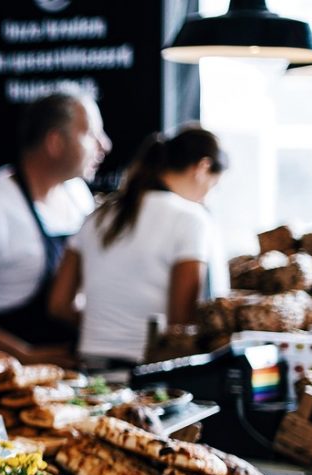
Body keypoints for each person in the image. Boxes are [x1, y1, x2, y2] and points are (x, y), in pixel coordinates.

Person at [0, 89, 111, 366]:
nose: (105, 145)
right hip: (2, 382)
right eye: (91, 134)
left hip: (68, 374)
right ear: (55, 142)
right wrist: (23, 356)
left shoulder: (77, 194)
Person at [48, 125, 229, 368]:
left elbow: (58, 305)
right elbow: (180, 323)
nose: (208, 196)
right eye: (213, 186)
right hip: (149, 373)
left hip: (91, 368)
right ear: (203, 168)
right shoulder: (191, 219)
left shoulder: (98, 215)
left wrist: (106, 327)